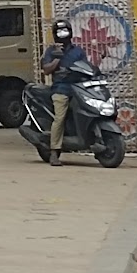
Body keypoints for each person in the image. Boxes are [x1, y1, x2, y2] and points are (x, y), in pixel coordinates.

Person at [40, 18, 88, 165]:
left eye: (65, 31)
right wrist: (56, 59)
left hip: (79, 88)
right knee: (59, 118)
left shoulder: (78, 51)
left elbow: (87, 67)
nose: (63, 34)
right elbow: (46, 70)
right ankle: (54, 151)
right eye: (59, 32)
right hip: (61, 89)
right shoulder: (51, 51)